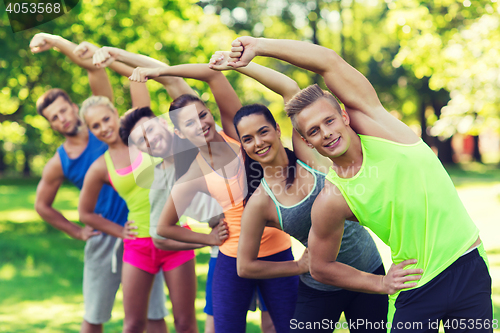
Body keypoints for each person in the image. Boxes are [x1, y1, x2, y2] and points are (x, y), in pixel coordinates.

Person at [228, 37, 492, 332]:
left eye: (329, 121)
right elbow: (320, 266)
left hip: (468, 266)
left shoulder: (380, 127)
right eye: (314, 131)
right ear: (305, 141)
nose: (325, 133)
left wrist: (259, 46)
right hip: (416, 286)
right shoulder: (332, 198)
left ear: (344, 116)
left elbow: (329, 61)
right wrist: (379, 282)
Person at [88, 45, 278, 333]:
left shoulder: (199, 136)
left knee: (273, 322)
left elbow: (169, 80)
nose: (151, 140)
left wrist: (116, 54)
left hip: (271, 238)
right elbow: (160, 233)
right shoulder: (164, 178)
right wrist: (208, 239)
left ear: (165, 125)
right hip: (228, 246)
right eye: (142, 141)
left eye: (151, 130)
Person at [210, 52, 388, 332]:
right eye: (248, 139)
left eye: (263, 131)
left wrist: (242, 64)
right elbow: (245, 266)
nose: (258, 142)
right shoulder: (260, 203)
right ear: (243, 146)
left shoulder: (306, 155)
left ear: (278, 129)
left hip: (367, 271)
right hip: (319, 288)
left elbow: (290, 88)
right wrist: (297, 267)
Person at [129, 63, 298, 333]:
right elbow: (163, 228)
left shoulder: (235, 135)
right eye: (189, 123)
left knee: (290, 329)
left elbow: (212, 74)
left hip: (277, 252)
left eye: (203, 114)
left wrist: (158, 72)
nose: (201, 123)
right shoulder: (193, 173)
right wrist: (208, 239)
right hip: (231, 260)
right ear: (180, 133)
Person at [30, 33, 169, 333]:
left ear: (72, 106)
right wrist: (77, 231)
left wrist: (56, 41)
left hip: (142, 227)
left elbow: (95, 67)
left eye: (64, 110)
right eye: (54, 118)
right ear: (51, 124)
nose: (62, 119)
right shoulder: (60, 161)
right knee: (94, 316)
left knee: (153, 314)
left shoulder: (102, 127)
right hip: (104, 238)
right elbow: (41, 205)